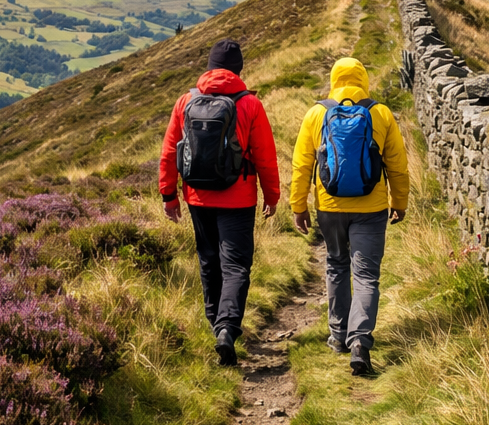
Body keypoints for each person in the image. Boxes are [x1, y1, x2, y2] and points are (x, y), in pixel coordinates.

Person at [159, 38, 280, 366]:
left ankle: (215, 325)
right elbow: (265, 157)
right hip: (238, 199)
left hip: (197, 195)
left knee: (209, 261)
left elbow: (171, 151)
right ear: (239, 69)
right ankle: (227, 327)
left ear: (210, 66)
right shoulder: (249, 104)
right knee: (236, 265)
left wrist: (169, 196)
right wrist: (272, 195)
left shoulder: (186, 101)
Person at [290, 57, 410, 376]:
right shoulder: (380, 113)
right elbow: (397, 166)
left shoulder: (317, 113)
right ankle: (360, 342)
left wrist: (298, 205)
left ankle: (338, 335)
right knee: (366, 275)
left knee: (337, 265)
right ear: (363, 79)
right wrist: (400, 201)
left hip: (329, 207)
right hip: (371, 209)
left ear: (334, 79)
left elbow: (302, 165)